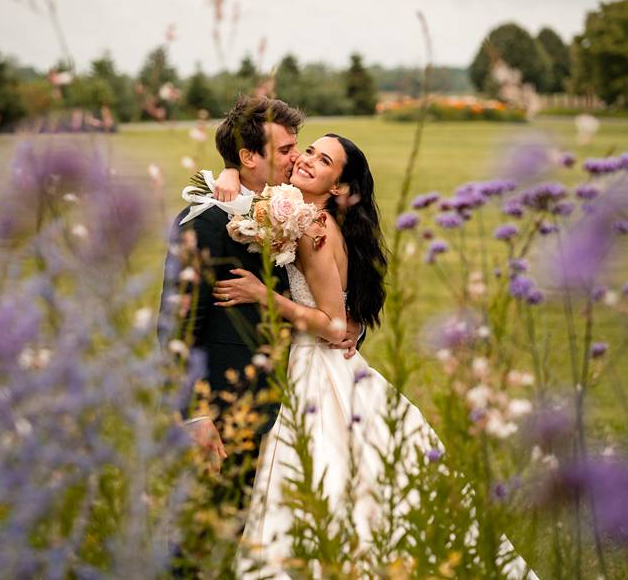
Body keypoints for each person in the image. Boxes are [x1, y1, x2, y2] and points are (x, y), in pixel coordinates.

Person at [213, 134, 535, 578]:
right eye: (308, 150)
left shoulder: (314, 227)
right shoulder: (302, 213)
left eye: (323, 161)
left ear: (338, 188)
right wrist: (230, 172)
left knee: (318, 475)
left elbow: (332, 323)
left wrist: (262, 294)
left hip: (314, 367)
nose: (306, 160)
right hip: (320, 361)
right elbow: (248, 184)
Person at [157, 98, 357, 495]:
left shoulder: (293, 211)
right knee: (206, 537)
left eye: (296, 147)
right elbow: (176, 329)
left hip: (288, 405)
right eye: (286, 150)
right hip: (224, 411)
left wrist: (352, 330)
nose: (297, 158)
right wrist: (194, 415)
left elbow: (328, 293)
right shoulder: (203, 223)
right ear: (249, 157)